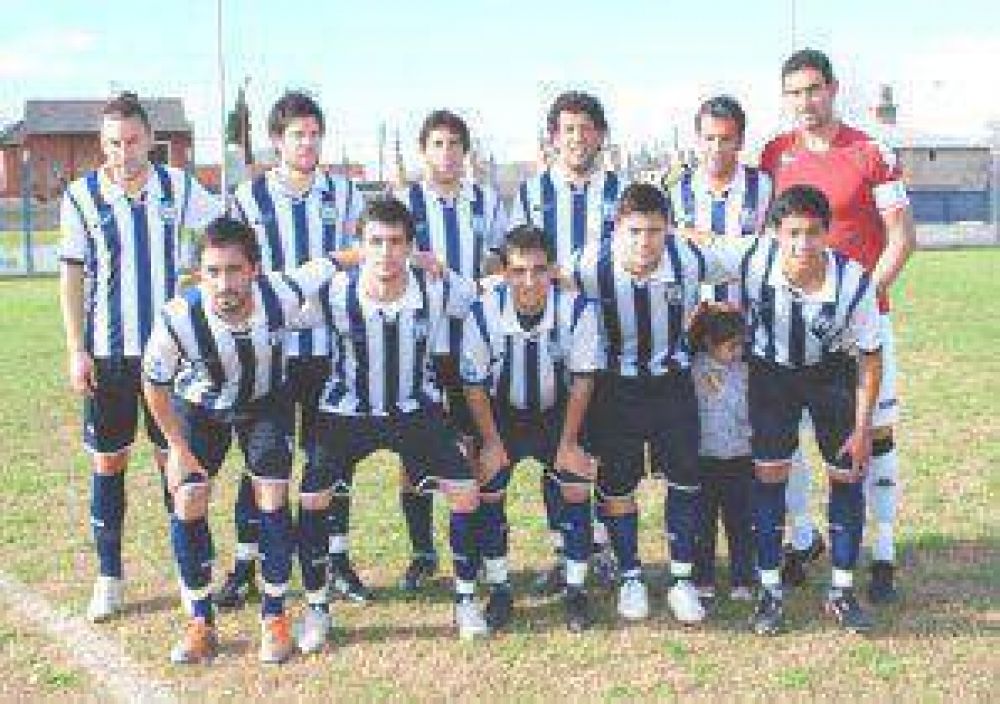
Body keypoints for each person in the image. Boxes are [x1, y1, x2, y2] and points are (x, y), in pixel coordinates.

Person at [141, 216, 343, 664]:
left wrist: (408, 259)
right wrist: (176, 448)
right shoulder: (179, 318)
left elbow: (333, 262)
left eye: (234, 269)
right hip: (199, 406)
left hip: (263, 402)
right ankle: (199, 620)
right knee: (189, 497)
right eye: (212, 271)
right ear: (199, 273)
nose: (223, 282)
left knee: (272, 497)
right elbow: (154, 385)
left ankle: (274, 615)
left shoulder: (280, 293)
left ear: (254, 269)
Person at [294, 197, 489, 649]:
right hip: (346, 409)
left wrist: (439, 264)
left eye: (396, 242)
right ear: (360, 247)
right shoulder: (336, 290)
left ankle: (464, 600)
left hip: (414, 407)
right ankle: (317, 607)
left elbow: (481, 298)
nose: (385, 253)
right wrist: (334, 260)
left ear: (410, 246)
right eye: (375, 242)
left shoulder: (434, 286)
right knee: (313, 496)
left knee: (464, 491)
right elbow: (280, 296)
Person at [58, 91, 222, 623]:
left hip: (169, 357)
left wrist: (202, 287)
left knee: (173, 460)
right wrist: (76, 348)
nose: (122, 152)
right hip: (107, 355)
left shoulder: (178, 188)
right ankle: (109, 577)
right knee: (109, 462)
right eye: (111, 143)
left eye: (131, 141)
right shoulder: (81, 196)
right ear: (101, 144)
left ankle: (186, 571)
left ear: (151, 139)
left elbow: (222, 237)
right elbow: (73, 273)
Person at [760, 49, 915, 602]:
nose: (805, 101)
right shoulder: (773, 156)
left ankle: (883, 547)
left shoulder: (870, 152)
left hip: (861, 322)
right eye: (794, 92)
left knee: (873, 433)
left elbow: (902, 237)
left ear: (833, 89)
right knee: (794, 437)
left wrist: (861, 301)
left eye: (813, 89)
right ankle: (803, 539)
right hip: (795, 331)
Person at [703, 185, 883, 634]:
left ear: (828, 233)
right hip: (772, 375)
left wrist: (863, 429)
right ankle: (769, 590)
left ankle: (841, 590)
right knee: (768, 478)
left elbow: (870, 358)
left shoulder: (854, 281)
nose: (803, 244)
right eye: (793, 233)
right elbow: (696, 248)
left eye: (813, 233)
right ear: (774, 233)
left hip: (831, 374)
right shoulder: (753, 256)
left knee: (846, 474)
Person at [220, 91, 367, 608]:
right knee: (263, 458)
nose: (306, 143)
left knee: (332, 459)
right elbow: (235, 267)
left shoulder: (347, 194)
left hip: (333, 346)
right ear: (276, 141)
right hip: (270, 349)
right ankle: (245, 562)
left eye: (313, 133)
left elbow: (367, 256)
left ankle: (336, 558)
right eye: (296, 134)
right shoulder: (247, 198)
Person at [571, 182, 737, 625]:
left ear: (669, 231)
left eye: (655, 231)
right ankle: (630, 576)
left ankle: (682, 579)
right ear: (616, 230)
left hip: (671, 384)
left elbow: (745, 259)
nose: (645, 242)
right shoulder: (589, 264)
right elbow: (541, 275)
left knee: (684, 481)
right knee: (618, 486)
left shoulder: (687, 259)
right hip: (615, 388)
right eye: (635, 231)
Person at [460, 225, 602, 632]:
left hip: (559, 409)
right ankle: (500, 586)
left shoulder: (577, 309)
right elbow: (473, 386)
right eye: (519, 270)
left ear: (552, 271)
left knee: (575, 481)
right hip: (503, 412)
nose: (529, 281)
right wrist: (489, 443)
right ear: (503, 272)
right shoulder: (482, 312)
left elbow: (583, 381)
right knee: (489, 485)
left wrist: (570, 442)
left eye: (539, 270)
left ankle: (576, 588)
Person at [511, 90, 623, 592]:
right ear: (553, 138)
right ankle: (565, 546)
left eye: (586, 129)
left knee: (603, 441)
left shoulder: (621, 192)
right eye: (567, 130)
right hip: (552, 341)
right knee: (560, 440)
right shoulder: (532, 193)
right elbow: (514, 260)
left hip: (614, 333)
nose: (577, 139)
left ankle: (604, 547)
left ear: (600, 135)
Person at [393, 109, 508, 593]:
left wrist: (485, 284)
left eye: (455, 144)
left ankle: (478, 547)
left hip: (472, 341)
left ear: (466, 152)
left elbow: (504, 256)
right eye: (437, 144)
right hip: (418, 341)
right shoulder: (406, 200)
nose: (447, 154)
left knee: (474, 443)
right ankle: (422, 551)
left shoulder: (485, 200)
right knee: (413, 446)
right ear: (424, 152)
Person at [668, 95, 772, 304]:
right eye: (709, 138)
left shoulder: (764, 185)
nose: (716, 148)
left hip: (750, 318)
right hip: (693, 320)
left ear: (740, 141)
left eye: (725, 139)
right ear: (698, 139)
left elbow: (774, 246)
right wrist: (679, 233)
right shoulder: (676, 190)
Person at [687, 303, 755, 606]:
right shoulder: (694, 368)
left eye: (741, 345)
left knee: (741, 522)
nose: (736, 352)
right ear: (708, 344)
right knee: (702, 523)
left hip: (741, 458)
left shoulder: (746, 369)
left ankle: (743, 578)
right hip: (704, 459)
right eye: (730, 346)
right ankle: (703, 578)